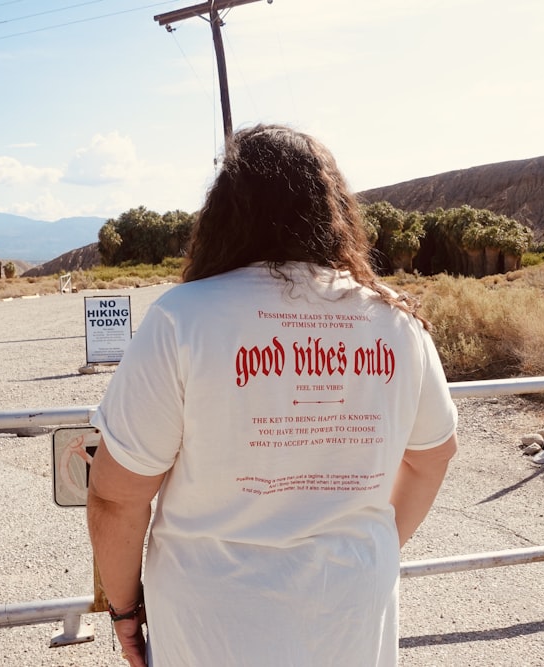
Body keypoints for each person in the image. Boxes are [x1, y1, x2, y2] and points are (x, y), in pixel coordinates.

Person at [87, 124, 458, 667]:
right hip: (351, 616)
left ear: (224, 214)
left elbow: (118, 496)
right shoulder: (397, 322)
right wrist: (364, 553)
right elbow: (432, 458)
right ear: (335, 211)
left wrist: (124, 612)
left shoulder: (183, 318)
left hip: (209, 624)